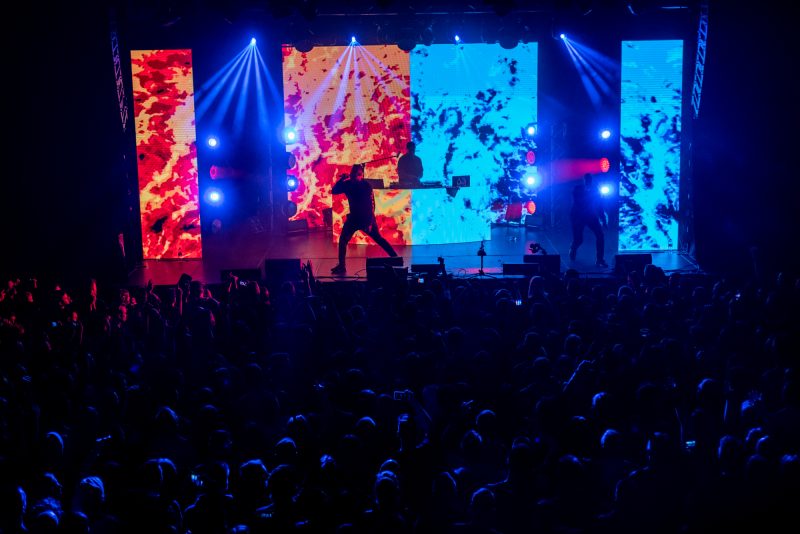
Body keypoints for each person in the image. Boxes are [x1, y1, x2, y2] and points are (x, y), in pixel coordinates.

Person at [330, 164, 398, 274]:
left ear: (361, 175)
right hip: (353, 219)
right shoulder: (348, 184)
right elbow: (334, 191)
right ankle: (342, 266)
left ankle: (396, 258)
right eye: (353, 174)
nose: (355, 177)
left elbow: (370, 205)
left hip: (365, 219)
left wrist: (370, 222)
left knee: (378, 239)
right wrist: (342, 180)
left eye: (358, 175)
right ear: (351, 174)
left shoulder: (366, 186)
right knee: (343, 241)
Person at [569, 173, 608, 267]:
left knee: (600, 235)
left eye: (589, 180)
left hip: (590, 215)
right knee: (579, 240)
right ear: (584, 181)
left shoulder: (595, 190)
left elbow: (599, 206)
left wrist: (603, 220)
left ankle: (600, 259)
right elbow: (578, 203)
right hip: (577, 216)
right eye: (586, 180)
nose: (588, 182)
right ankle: (573, 248)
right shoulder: (577, 189)